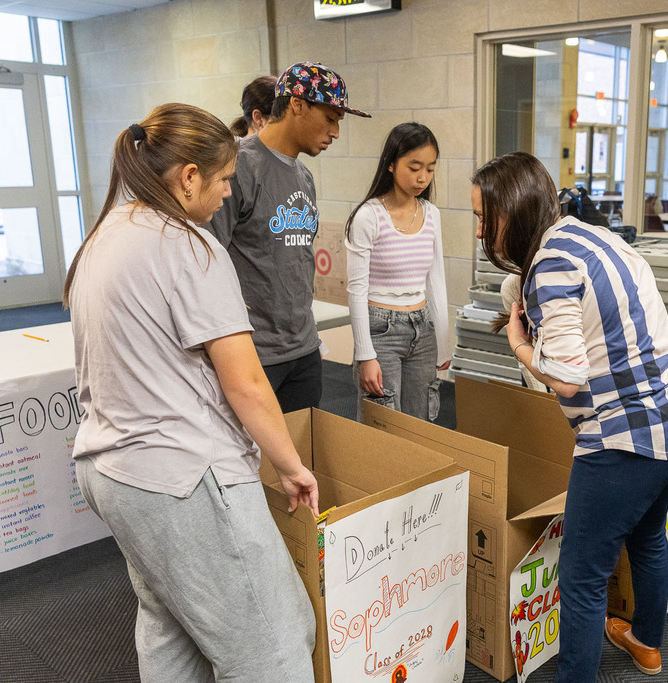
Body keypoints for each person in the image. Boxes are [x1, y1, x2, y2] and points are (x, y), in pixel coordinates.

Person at [64, 103, 319, 682]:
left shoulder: (106, 235)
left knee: (171, 629)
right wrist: (290, 466)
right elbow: (247, 381)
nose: (228, 194)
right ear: (188, 176)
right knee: (276, 645)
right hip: (182, 478)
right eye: (225, 179)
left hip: (114, 472)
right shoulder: (190, 247)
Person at [472, 152, 668, 681]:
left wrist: (517, 342)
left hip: (625, 439)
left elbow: (565, 376)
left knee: (580, 578)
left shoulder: (551, 266)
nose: (481, 232)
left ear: (511, 212)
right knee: (647, 537)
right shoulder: (586, 234)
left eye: (483, 218)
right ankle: (646, 644)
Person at [208, 62, 370, 413]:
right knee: (252, 464)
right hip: (254, 354)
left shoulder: (304, 177)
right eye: (330, 118)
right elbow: (207, 265)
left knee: (299, 457)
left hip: (303, 349)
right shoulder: (237, 168)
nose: (336, 132)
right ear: (297, 104)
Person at [344, 122, 450, 421]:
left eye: (430, 169)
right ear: (391, 164)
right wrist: (365, 354)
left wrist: (443, 344)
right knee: (384, 426)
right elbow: (356, 290)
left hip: (422, 328)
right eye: (414, 166)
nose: (422, 177)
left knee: (422, 424)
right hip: (381, 330)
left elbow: (436, 281)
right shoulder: (368, 216)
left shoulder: (431, 214)